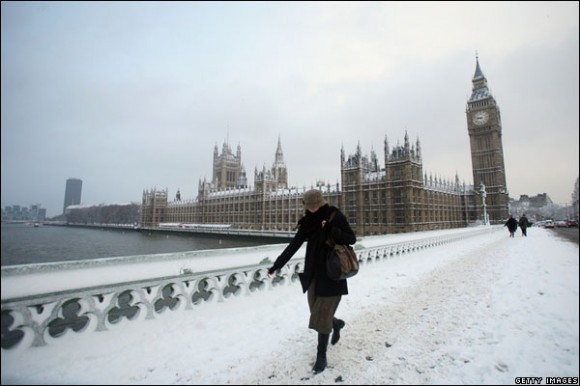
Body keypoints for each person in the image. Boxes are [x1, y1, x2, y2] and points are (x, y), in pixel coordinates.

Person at [267, 189, 356, 374]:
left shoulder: (334, 215)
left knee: (321, 316)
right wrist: (276, 266)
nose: (313, 209)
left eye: (315, 206)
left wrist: (331, 229)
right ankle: (336, 323)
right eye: (310, 206)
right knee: (316, 312)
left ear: (321, 203)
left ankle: (321, 356)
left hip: (333, 273)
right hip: (314, 274)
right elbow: (293, 245)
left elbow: (351, 238)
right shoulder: (307, 222)